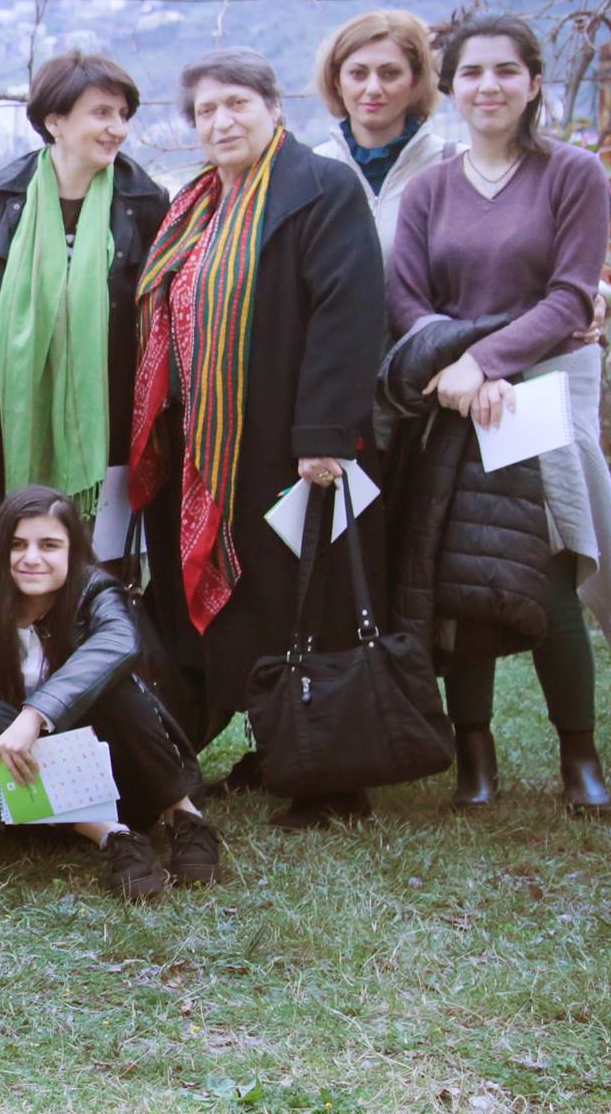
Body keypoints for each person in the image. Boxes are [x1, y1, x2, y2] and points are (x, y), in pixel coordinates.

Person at [129, 48, 386, 829]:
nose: (221, 121)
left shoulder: (320, 188)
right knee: (243, 610)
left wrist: (324, 435)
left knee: (306, 602)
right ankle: (274, 746)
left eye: (237, 102)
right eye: (206, 110)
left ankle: (333, 776)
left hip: (290, 446)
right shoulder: (197, 204)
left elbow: (348, 313)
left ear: (274, 108)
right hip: (207, 451)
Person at [387, 12, 611, 814]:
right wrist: (463, 367)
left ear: (533, 83)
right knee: (467, 571)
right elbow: (407, 299)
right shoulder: (431, 188)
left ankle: (579, 753)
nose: (487, 85)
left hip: (547, 384)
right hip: (455, 394)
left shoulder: (573, 174)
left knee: (549, 567)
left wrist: (487, 361)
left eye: (505, 70)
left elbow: (570, 296)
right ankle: (474, 755)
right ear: (450, 87)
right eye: (471, 72)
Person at [0, 50, 169, 515]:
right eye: (102, 113)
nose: (118, 128)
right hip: (1, 414)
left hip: (108, 417)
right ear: (55, 122)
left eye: (123, 114)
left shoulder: (145, 202)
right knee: (0, 538)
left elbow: (164, 317)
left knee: (94, 547)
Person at [0, 487, 218, 901]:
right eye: (17, 545)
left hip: (124, 778)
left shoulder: (95, 590)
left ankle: (184, 817)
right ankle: (115, 838)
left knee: (113, 684)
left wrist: (34, 715)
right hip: (35, 794)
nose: (31, 558)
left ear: (73, 551)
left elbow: (119, 642)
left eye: (49, 545)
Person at [309, 10, 457, 256]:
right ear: (336, 81)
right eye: (358, 74)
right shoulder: (311, 173)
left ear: (415, 80)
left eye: (390, 74)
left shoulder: (455, 166)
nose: (373, 89)